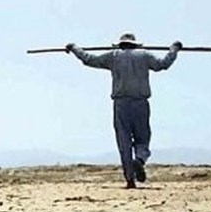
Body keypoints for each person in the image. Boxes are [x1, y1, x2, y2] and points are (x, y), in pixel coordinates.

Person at [66, 32, 182, 189]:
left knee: (124, 142)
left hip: (121, 105)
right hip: (141, 103)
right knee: (143, 138)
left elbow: (88, 59)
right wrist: (173, 49)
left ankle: (130, 179)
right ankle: (140, 160)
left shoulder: (113, 56)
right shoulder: (144, 55)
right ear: (135, 44)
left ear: (121, 44)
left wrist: (74, 48)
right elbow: (163, 64)